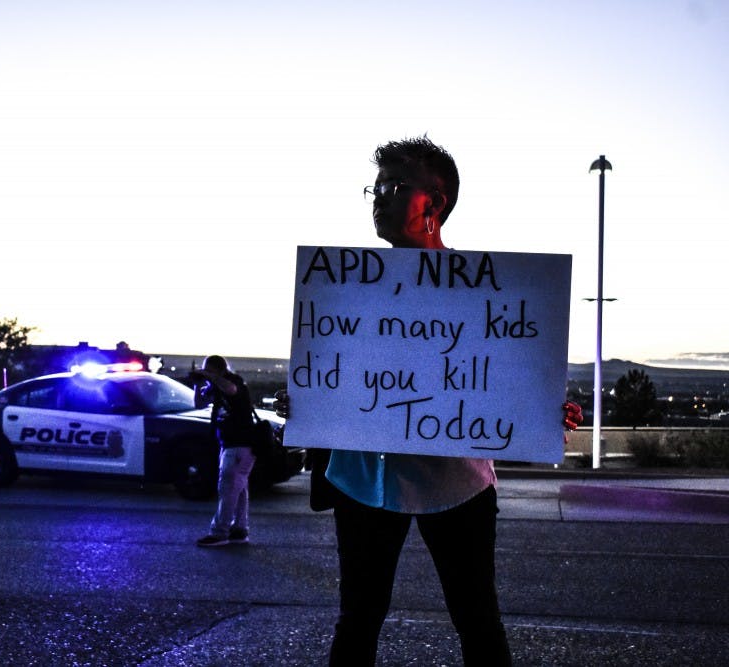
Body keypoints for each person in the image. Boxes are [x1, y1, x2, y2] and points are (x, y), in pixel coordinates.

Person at [276, 136, 584, 665]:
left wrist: (539, 411)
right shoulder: (344, 287)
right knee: (358, 620)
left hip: (454, 483)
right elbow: (337, 374)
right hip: (361, 479)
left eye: (394, 186)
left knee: (476, 620)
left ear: (435, 203)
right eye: (375, 187)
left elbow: (505, 379)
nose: (378, 197)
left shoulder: (488, 295)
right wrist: (310, 395)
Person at [192, 355, 256, 547]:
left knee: (228, 488)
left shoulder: (233, 382)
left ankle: (219, 532)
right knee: (239, 489)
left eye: (209, 370)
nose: (207, 374)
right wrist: (198, 383)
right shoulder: (216, 387)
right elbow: (199, 404)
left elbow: (231, 389)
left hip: (239, 446)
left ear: (219, 370)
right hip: (231, 445)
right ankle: (239, 529)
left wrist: (213, 377)